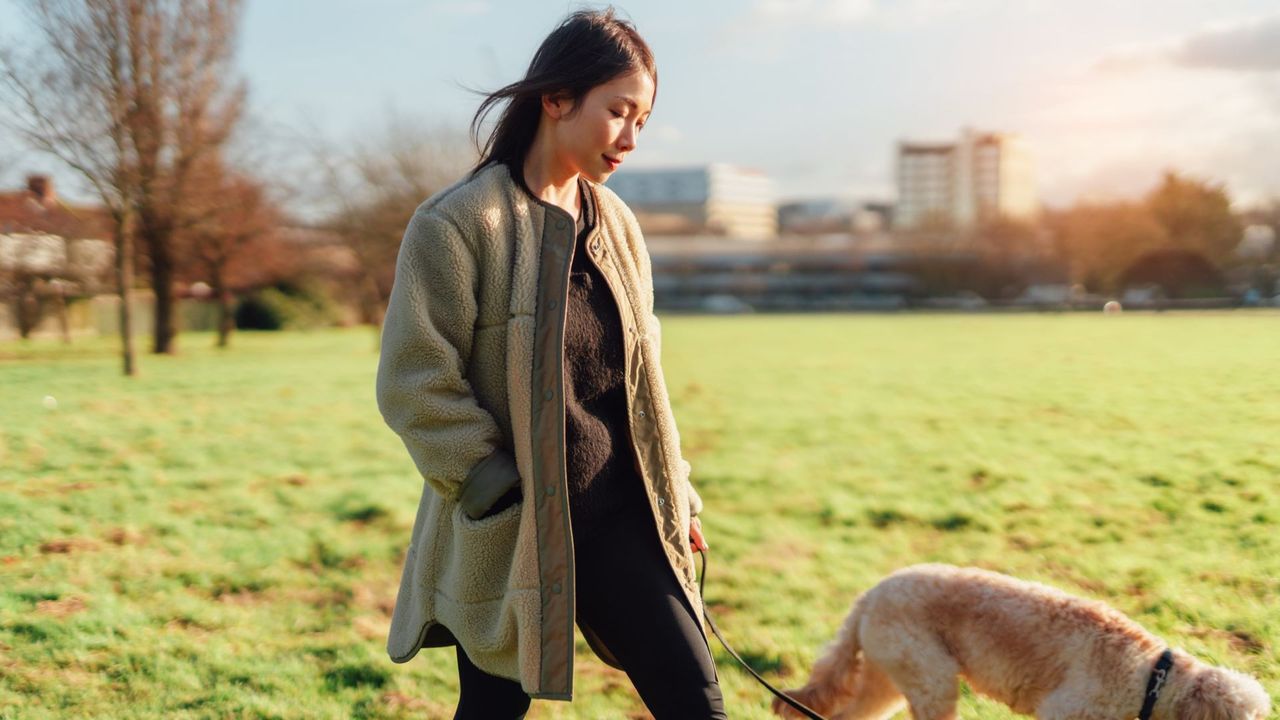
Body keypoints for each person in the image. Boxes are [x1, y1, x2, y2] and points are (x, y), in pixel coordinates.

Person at [375, 8, 726, 719]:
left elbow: (644, 381)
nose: (629, 137)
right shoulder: (456, 224)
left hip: (624, 519)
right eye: (617, 111)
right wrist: (491, 484)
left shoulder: (619, 223)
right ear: (557, 98)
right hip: (517, 529)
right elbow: (415, 379)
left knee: (697, 702)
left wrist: (675, 497)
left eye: (642, 120)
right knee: (492, 715)